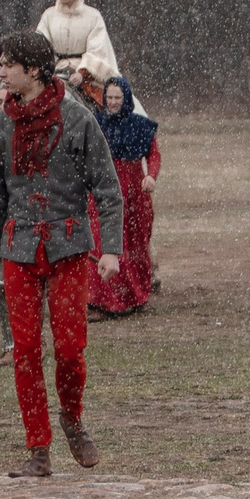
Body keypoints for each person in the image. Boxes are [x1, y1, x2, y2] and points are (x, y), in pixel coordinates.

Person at [0, 29, 125, 478]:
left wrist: (111, 250)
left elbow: (108, 190)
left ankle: (72, 418)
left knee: (69, 350)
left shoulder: (78, 120)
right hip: (18, 249)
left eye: (7, 64)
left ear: (34, 69)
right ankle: (37, 447)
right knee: (24, 351)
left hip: (67, 247)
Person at [87, 76, 160, 318]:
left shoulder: (140, 126)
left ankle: (135, 296)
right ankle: (101, 302)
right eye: (109, 97)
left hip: (134, 194)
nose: (113, 102)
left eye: (118, 97)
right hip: (104, 191)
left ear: (126, 98)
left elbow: (154, 155)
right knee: (100, 241)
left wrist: (151, 176)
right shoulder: (95, 124)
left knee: (135, 244)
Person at [38, 0, 124, 108]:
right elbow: (39, 45)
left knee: (111, 107)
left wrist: (81, 73)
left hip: (85, 75)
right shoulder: (48, 15)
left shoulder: (93, 16)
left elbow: (98, 49)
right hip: (54, 71)